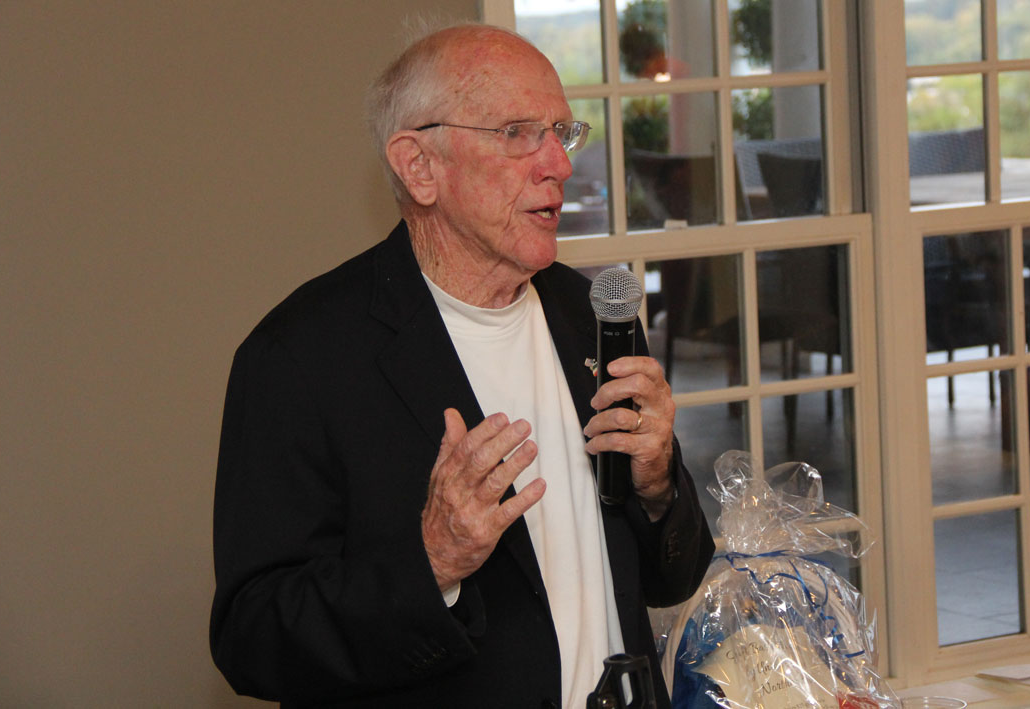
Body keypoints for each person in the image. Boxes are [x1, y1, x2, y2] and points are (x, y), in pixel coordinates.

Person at [209, 23, 714, 708]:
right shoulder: (299, 358)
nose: (558, 166)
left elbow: (669, 577)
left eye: (561, 134)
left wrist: (657, 486)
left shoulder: (590, 314)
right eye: (516, 133)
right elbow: (254, 638)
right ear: (419, 167)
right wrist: (430, 561)